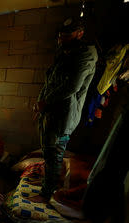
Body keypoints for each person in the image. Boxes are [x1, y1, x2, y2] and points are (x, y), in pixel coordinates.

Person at [32, 17, 98, 203]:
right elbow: (50, 82)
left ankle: (47, 194)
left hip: (64, 115)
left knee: (55, 153)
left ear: (80, 33)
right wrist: (39, 103)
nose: (61, 40)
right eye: (60, 36)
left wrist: (44, 103)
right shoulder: (65, 52)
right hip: (51, 112)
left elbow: (72, 87)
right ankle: (50, 183)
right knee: (48, 151)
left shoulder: (85, 55)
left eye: (67, 36)